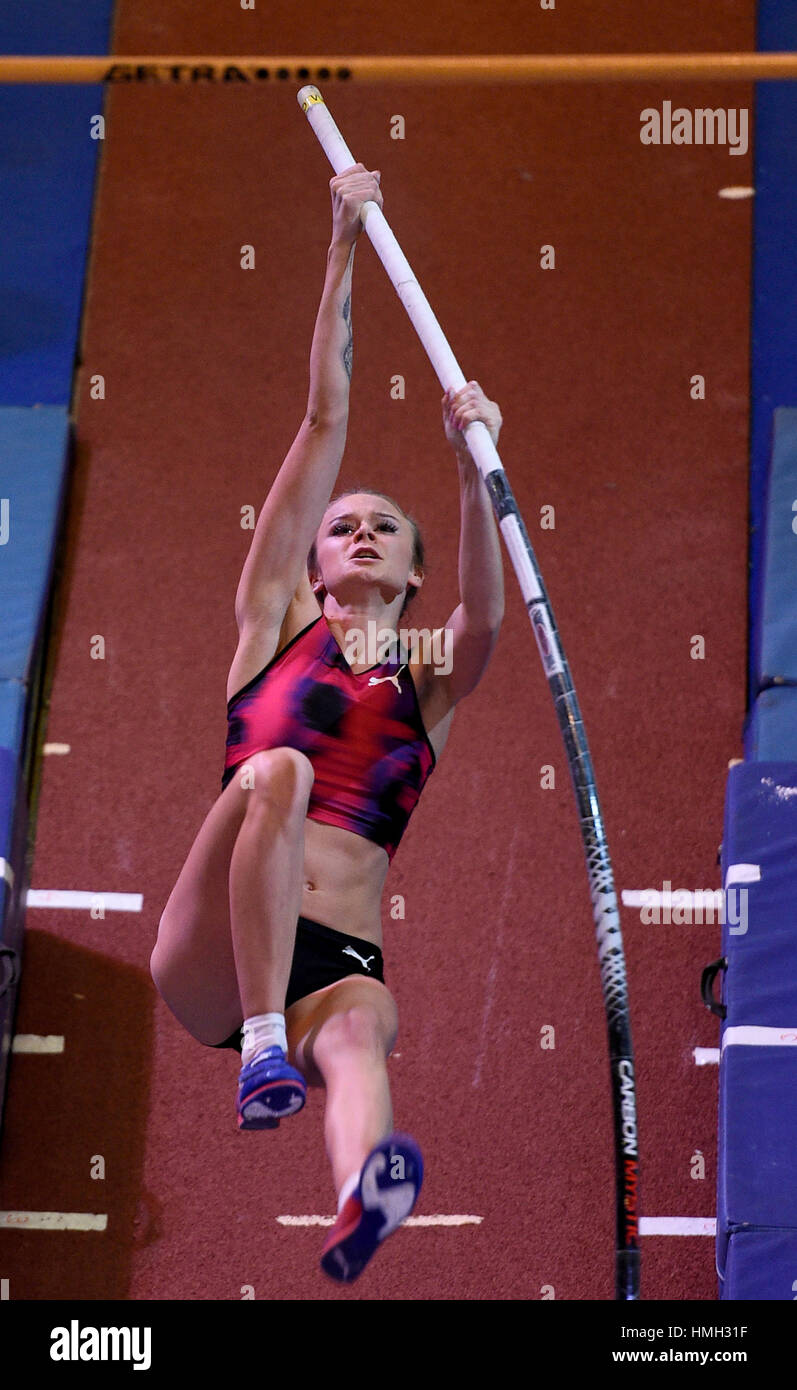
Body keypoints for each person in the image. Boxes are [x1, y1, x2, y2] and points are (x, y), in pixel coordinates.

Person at [149, 162, 505, 1283]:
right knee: (279, 775)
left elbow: (485, 616)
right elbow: (324, 414)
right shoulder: (273, 626)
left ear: (407, 572)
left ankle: (358, 1195)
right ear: (308, 561)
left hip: (333, 952)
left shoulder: (423, 677)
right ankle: (261, 1046)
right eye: (341, 523)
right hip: (213, 954)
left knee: (359, 1032)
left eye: (382, 529)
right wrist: (342, 242)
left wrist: (468, 470)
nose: (356, 531)